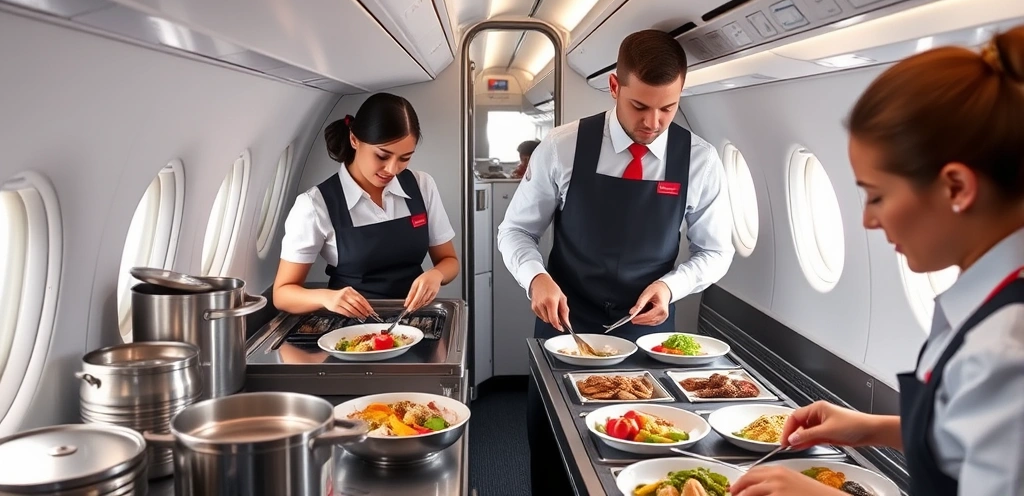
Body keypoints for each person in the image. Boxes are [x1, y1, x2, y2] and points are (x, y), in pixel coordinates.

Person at [731, 27, 1024, 496]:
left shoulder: (1007, 346)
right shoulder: (989, 302)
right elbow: (967, 436)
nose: (868, 221)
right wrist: (871, 428)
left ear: (956, 188)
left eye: (877, 196)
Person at [497, 29, 735, 493]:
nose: (653, 122)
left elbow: (716, 251)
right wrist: (536, 278)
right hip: (564, 326)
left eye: (667, 108)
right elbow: (516, 230)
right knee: (552, 453)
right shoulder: (562, 147)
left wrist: (671, 287)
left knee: (639, 460)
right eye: (640, 106)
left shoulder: (699, 160)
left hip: (647, 329)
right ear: (614, 87)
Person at [272, 92, 459, 319]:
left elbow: (449, 261)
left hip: (413, 322)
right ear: (354, 140)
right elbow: (282, 294)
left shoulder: (421, 185)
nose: (392, 169)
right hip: (350, 329)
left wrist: (436, 275)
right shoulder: (314, 205)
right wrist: (326, 297)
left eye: (404, 158)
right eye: (382, 156)